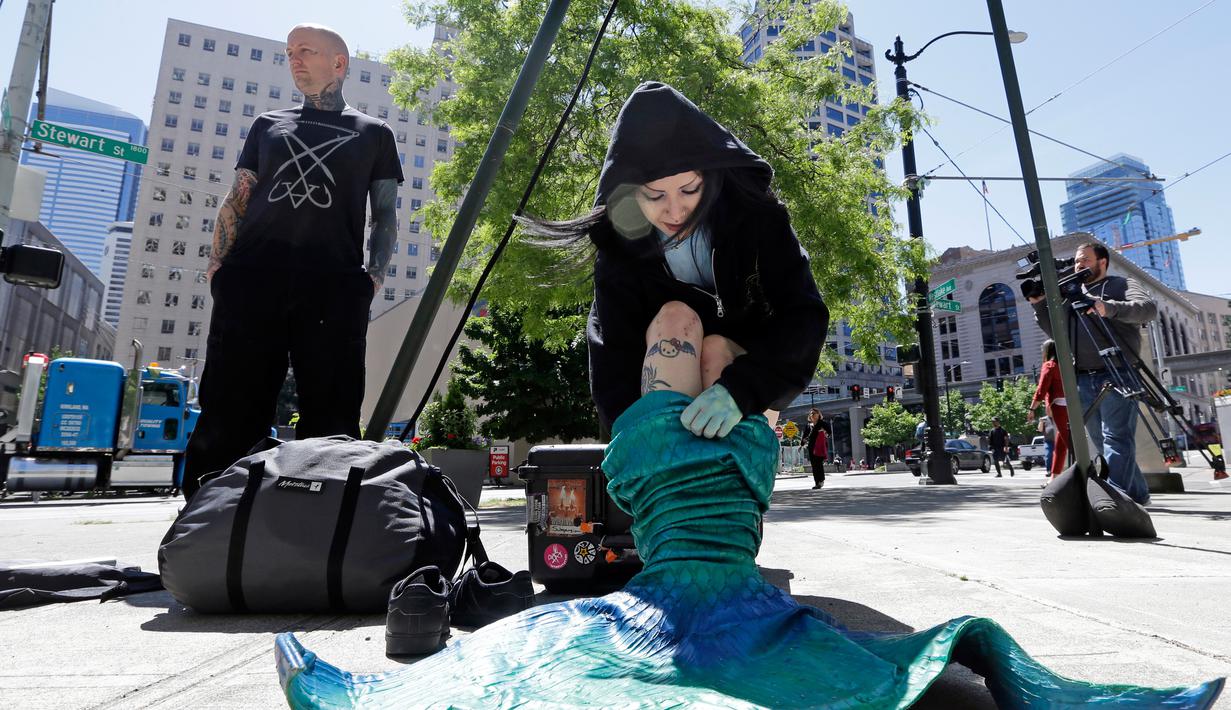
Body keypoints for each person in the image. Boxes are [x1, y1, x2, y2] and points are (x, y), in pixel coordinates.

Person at [518, 82, 828, 439]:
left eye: (689, 190)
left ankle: (730, 481)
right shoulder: (618, 251)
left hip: (754, 378)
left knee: (713, 351)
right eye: (655, 196)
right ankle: (671, 482)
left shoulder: (758, 217)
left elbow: (803, 315)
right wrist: (632, 443)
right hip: (659, 389)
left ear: (709, 178)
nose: (676, 210)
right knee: (675, 319)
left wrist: (742, 391)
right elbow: (613, 358)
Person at [181, 24, 403, 499]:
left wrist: (372, 279)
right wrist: (218, 263)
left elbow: (385, 215)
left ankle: (321, 523)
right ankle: (206, 515)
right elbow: (238, 195)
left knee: (333, 412)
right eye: (289, 52)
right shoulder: (267, 124)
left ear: (339, 63)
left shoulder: (375, 134)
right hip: (251, 278)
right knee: (228, 407)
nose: (294, 59)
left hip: (334, 285)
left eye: (306, 51)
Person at [1028, 241, 1157, 505]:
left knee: (1116, 438)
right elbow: (1058, 335)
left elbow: (1148, 308)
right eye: (1077, 261)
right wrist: (1040, 305)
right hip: (1083, 377)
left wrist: (1106, 307)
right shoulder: (1072, 294)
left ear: (1102, 262)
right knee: (1101, 441)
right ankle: (1139, 494)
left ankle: (1116, 500)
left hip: (1118, 371)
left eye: (1085, 259)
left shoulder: (1121, 284)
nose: (1079, 265)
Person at [1027, 339, 1069, 480]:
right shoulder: (1066, 364)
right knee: (1062, 443)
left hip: (1059, 406)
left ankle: (1081, 474)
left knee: (1067, 441)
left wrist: (1032, 409)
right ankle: (1054, 476)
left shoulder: (1049, 366)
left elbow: (1041, 389)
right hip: (1072, 405)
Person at [805, 408, 828, 489]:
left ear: (818, 415)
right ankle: (817, 482)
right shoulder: (809, 425)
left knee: (819, 464)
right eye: (812, 414)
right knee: (814, 465)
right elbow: (805, 436)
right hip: (811, 447)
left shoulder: (822, 424)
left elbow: (828, 433)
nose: (813, 415)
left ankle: (821, 480)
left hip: (820, 446)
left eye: (815, 413)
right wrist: (802, 443)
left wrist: (824, 432)